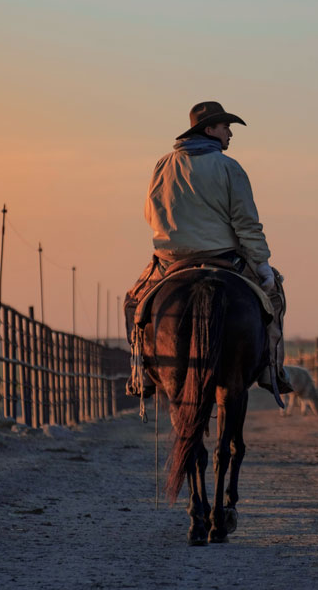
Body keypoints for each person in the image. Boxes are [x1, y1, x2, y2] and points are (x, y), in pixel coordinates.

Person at [125, 101, 291, 400]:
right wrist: (262, 264)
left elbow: (152, 213)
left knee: (133, 304)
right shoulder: (230, 167)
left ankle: (141, 375)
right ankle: (272, 371)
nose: (230, 133)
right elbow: (246, 222)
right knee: (274, 297)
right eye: (226, 127)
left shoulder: (163, 164)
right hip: (224, 256)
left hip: (170, 259)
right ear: (209, 129)